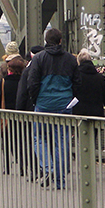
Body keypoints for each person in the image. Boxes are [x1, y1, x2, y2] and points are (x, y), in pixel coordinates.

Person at [26, 28, 78, 189]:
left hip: (43, 104)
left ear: (46, 41)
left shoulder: (39, 58)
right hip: (64, 105)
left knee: (38, 138)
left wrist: (36, 100)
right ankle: (60, 180)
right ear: (61, 41)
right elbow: (77, 83)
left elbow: (32, 83)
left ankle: (49, 168)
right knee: (61, 141)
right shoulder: (70, 59)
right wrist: (71, 99)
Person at [0, 52, 26, 175]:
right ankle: (23, 166)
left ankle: (7, 167)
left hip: (6, 116)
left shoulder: (3, 82)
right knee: (22, 142)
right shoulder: (24, 81)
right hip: (21, 116)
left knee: (7, 143)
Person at [72, 50, 105, 119]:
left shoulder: (76, 77)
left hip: (79, 117)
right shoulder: (100, 78)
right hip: (97, 117)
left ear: (78, 62)